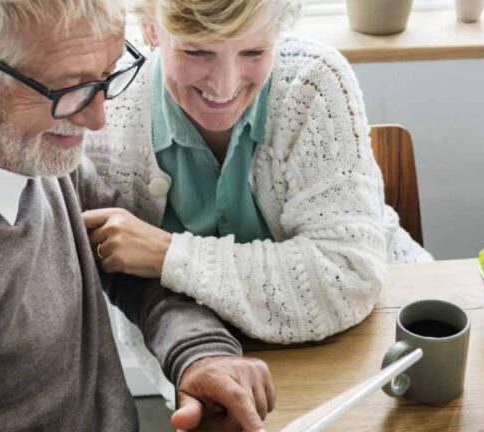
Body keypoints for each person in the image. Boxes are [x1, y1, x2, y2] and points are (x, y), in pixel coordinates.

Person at [0, 1, 274, 431]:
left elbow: (135, 262)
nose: (96, 119)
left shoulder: (15, 139)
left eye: (106, 75)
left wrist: (202, 354)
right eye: (68, 89)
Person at [82, 0, 433, 398]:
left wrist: (168, 254)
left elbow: (347, 276)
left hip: (374, 332)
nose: (224, 86)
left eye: (254, 52)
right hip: (207, 362)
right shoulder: (104, 104)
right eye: (196, 51)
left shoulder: (315, 81)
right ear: (150, 30)